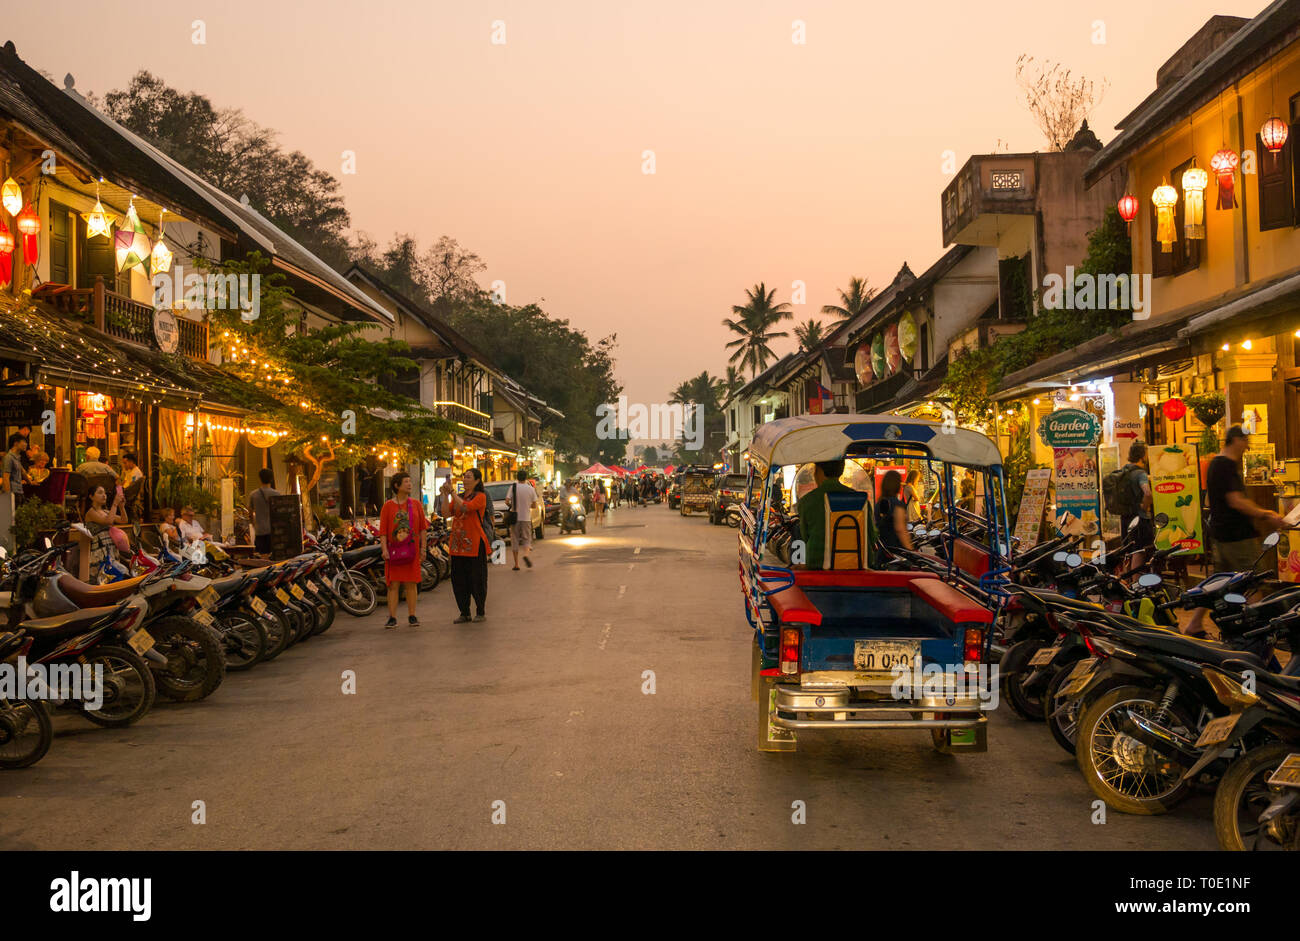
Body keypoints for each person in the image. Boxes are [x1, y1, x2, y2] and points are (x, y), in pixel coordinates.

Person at [1184, 426, 1285, 636]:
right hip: (1238, 535)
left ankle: (1194, 623)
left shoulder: (1215, 465)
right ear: (1236, 440)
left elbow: (1212, 500)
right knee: (1253, 581)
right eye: (1245, 441)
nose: (1247, 447)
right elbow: (1236, 501)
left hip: (1221, 533)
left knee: (1219, 582)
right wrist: (1266, 514)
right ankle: (1258, 631)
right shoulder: (1226, 466)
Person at [379, 471, 428, 629]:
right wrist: (384, 549)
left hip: (412, 550)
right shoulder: (388, 506)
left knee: (411, 584)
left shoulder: (416, 504)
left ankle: (412, 615)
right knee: (393, 585)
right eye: (406, 482)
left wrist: (423, 549)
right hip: (394, 551)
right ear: (396, 485)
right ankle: (392, 617)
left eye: (409, 481)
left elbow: (422, 529)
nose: (409, 484)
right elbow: (384, 531)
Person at [441, 467, 490, 623]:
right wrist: (444, 495)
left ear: (477, 481)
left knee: (477, 579)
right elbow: (446, 514)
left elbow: (465, 507)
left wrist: (453, 493)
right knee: (459, 580)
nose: (465, 479)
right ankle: (464, 612)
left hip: (474, 544)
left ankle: (480, 611)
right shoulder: (459, 496)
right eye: (464, 476)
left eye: (469, 477)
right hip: (458, 544)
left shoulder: (481, 496)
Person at [795, 459, 857, 570]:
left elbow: (805, 537)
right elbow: (871, 535)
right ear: (841, 471)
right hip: (855, 564)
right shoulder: (860, 499)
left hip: (818, 565)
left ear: (818, 471)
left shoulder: (807, 501)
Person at [83, 484, 127, 582]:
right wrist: (115, 504)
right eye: (100, 493)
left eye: (105, 493)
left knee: (115, 577)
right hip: (99, 549)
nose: (104, 495)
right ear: (91, 497)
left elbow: (123, 520)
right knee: (102, 578)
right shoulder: (91, 512)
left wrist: (121, 507)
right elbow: (108, 521)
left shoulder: (106, 511)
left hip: (110, 548)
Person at [1117, 440, 1154, 549]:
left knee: (1128, 550)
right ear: (1142, 455)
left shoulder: (1123, 470)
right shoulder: (1140, 473)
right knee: (1140, 551)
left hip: (1125, 518)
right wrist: (1145, 507)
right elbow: (1147, 493)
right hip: (1139, 519)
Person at [876, 469, 914, 554]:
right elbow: (900, 529)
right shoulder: (897, 505)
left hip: (883, 550)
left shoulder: (879, 503)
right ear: (897, 485)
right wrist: (911, 550)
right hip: (896, 552)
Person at [506, 469, 537, 570]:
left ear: (517, 477)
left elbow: (507, 501)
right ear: (526, 477)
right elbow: (534, 505)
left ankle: (516, 564)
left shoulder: (513, 487)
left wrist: (512, 506)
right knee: (526, 538)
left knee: (514, 539)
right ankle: (526, 555)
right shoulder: (530, 489)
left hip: (515, 517)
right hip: (526, 517)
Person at [248, 468, 280, 555]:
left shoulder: (253, 495)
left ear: (260, 478)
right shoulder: (277, 494)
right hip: (273, 531)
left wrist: (254, 525)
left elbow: (250, 512)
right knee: (273, 555)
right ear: (271, 479)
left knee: (261, 555)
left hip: (260, 531)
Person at [2, 433, 27, 502]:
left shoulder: (17, 457)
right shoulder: (9, 458)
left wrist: (30, 482)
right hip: (13, 492)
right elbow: (6, 477)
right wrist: (8, 496)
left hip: (19, 490)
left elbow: (22, 471)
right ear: (16, 443)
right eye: (24, 442)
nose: (26, 444)